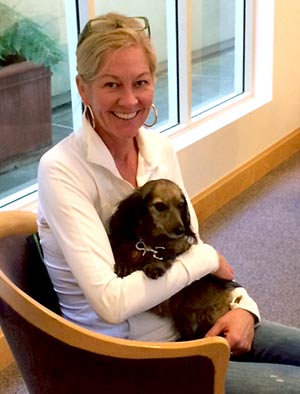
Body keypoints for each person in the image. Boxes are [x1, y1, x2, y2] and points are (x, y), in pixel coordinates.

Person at [37, 12, 300, 393]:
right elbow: (113, 302)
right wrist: (209, 259)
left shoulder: (159, 149)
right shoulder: (61, 169)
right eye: (112, 84)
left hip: (189, 321)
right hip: (126, 354)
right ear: (82, 88)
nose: (130, 100)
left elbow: (188, 247)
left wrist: (244, 307)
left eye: (141, 83)